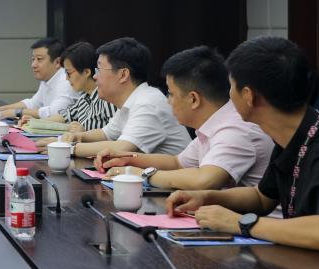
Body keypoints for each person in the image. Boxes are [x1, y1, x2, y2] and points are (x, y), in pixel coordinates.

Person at [167, 37, 319, 253]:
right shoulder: (290, 136)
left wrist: (240, 223)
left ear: (248, 96)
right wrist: (207, 197)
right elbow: (261, 197)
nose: (228, 96)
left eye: (231, 86)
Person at [94, 45, 272, 190]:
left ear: (193, 99)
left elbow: (204, 180)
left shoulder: (235, 128)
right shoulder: (214, 123)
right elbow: (177, 162)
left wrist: (139, 174)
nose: (168, 101)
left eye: (171, 93)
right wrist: (129, 158)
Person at [59, 37, 191, 159]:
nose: (95, 76)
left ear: (123, 75)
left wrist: (68, 148)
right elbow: (106, 133)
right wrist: (78, 136)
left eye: (99, 70)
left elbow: (121, 148)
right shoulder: (131, 101)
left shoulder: (148, 103)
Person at [0, 38, 79, 121]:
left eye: (39, 59)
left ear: (57, 62)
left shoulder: (66, 81)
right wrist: (2, 109)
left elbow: (54, 112)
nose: (33, 65)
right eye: (33, 59)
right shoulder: (47, 78)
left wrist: (16, 112)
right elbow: (33, 103)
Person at [46, 41, 116, 131]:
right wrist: (34, 123)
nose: (66, 78)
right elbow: (65, 116)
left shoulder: (108, 100)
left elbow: (116, 134)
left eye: (69, 73)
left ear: (86, 72)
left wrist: (84, 133)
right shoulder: (83, 98)